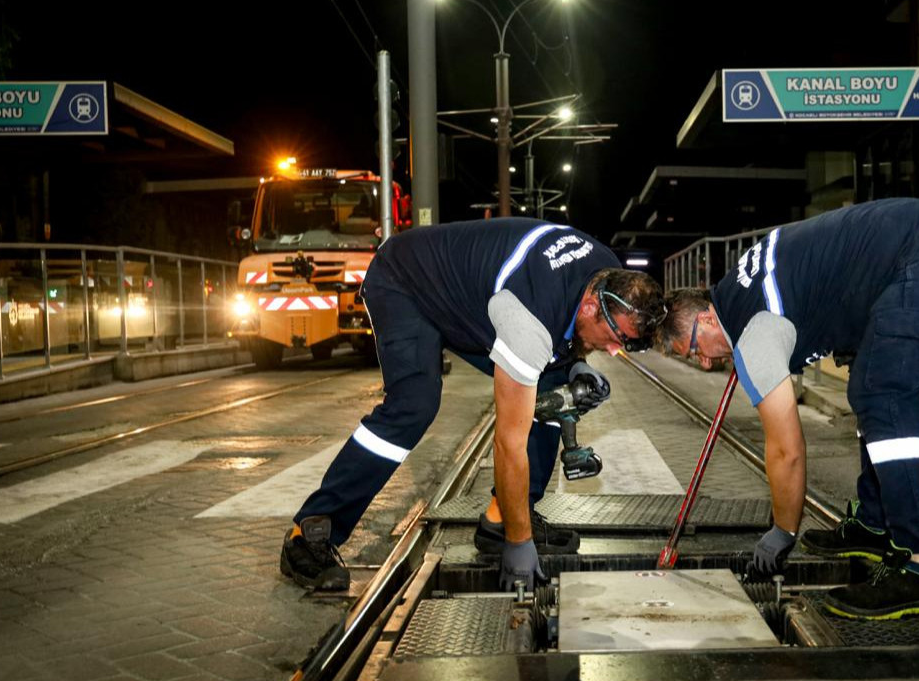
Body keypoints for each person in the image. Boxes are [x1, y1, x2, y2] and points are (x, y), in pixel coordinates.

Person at [281, 217, 665, 592]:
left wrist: (576, 362)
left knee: (552, 388)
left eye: (626, 344)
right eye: (615, 338)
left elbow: (565, 332)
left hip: (472, 298)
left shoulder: (608, 273)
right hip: (404, 281)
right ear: (590, 308)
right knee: (414, 404)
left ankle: (502, 519)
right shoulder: (528, 318)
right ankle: (312, 530)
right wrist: (520, 545)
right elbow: (508, 443)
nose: (615, 352)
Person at [659, 198, 919, 620]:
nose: (704, 361)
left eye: (692, 350)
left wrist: (783, 531)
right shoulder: (741, 289)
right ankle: (874, 526)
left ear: (706, 319)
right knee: (869, 384)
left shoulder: (754, 333)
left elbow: (786, 449)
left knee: (882, 394)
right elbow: (830, 287)